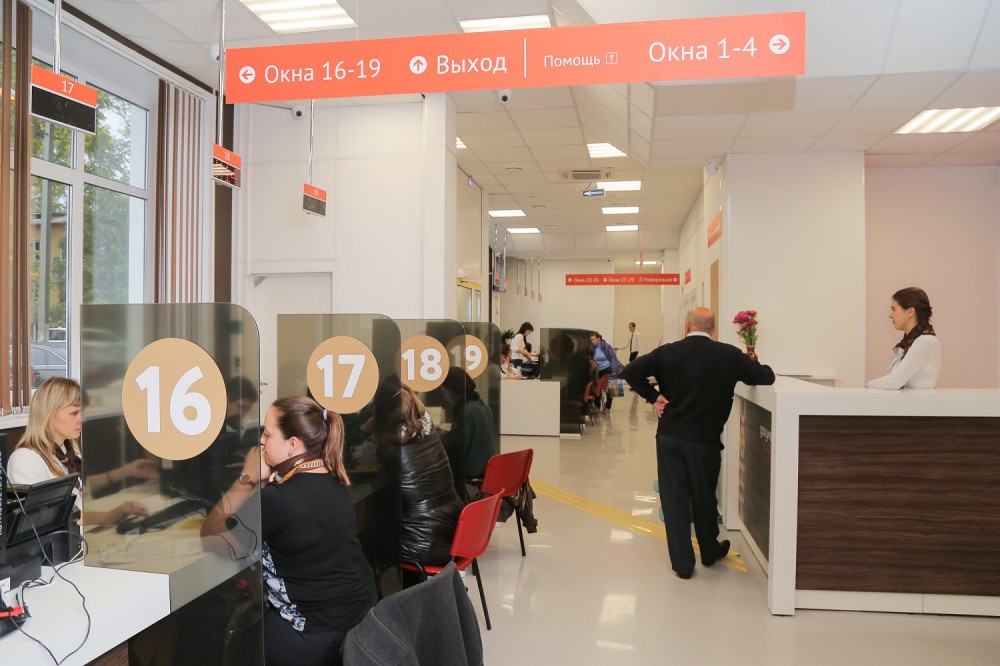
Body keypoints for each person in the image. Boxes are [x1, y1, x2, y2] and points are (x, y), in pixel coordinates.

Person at [201, 395, 376, 666]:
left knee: (228, 639)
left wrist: (248, 478)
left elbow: (211, 535)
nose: (261, 441)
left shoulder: (278, 499)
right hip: (360, 615)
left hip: (314, 633)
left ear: (292, 444)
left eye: (267, 433)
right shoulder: (335, 478)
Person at [621, 307, 775, 580]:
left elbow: (630, 371)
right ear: (713, 329)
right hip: (705, 440)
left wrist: (654, 397)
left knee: (674, 498)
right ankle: (709, 550)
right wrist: (753, 358)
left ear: (687, 326)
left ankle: (682, 564)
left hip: (670, 436)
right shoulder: (729, 355)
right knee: (705, 497)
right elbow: (765, 376)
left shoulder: (668, 352)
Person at [8, 377, 156, 525]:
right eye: (74, 413)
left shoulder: (69, 450)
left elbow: (83, 490)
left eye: (82, 412)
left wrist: (129, 471)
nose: (82, 420)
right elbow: (42, 519)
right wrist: (108, 517)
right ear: (48, 415)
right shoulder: (26, 459)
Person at [373, 383, 463, 569]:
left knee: (367, 541)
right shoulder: (428, 431)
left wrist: (368, 429)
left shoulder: (389, 447)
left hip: (422, 545)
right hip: (455, 531)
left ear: (385, 414)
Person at [867, 287, 940, 389]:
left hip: (919, 400)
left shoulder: (925, 341)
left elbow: (894, 382)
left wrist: (869, 385)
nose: (890, 315)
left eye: (894, 309)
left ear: (910, 311)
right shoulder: (912, 341)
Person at [441, 367, 496, 490]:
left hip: (469, 482)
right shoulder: (482, 406)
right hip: (484, 476)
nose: (444, 397)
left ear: (454, 391)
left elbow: (456, 452)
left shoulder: (465, 413)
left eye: (445, 392)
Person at [590, 331, 622, 411]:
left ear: (598, 339)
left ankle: (608, 406)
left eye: (593, 339)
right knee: (597, 388)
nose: (592, 341)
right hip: (597, 370)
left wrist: (614, 370)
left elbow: (613, 358)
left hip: (607, 369)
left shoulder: (607, 346)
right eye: (591, 340)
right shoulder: (591, 348)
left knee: (610, 388)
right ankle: (597, 406)